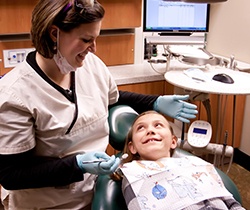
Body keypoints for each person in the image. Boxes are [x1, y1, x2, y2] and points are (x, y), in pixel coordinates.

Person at [0, 0, 198, 209]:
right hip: (50, 203)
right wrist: (77, 164)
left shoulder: (89, 64)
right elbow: (13, 175)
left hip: (99, 188)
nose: (93, 48)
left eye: (96, 38)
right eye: (86, 39)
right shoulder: (14, 95)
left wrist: (155, 102)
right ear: (54, 34)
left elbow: (110, 96)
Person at [113, 111, 245, 210]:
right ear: (132, 147)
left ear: (173, 141)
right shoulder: (133, 174)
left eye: (158, 125)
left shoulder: (196, 164)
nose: (150, 130)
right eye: (141, 128)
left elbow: (230, 202)